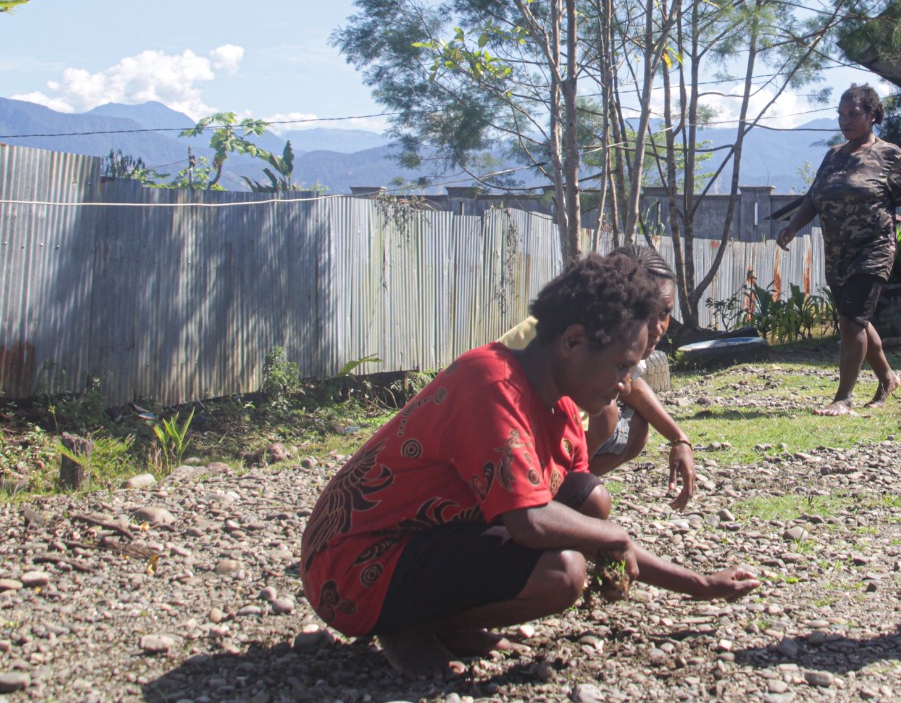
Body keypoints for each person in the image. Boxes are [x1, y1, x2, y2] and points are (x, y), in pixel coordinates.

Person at [299, 254, 758, 677]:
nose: (625, 385)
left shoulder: (562, 407)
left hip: (423, 543)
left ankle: (445, 623)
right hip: (352, 570)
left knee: (588, 501)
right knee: (563, 573)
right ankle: (408, 628)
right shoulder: (492, 384)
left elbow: (584, 525)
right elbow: (529, 521)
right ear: (572, 341)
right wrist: (616, 538)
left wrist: (700, 584)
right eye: (621, 367)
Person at [776, 84, 901, 416]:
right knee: (854, 318)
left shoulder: (889, 155)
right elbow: (814, 197)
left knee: (851, 321)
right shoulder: (834, 155)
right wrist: (793, 227)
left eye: (853, 114)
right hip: (837, 252)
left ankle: (843, 398)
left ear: (871, 115)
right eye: (840, 114)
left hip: (874, 248)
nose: (845, 120)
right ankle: (888, 378)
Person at [498, 244, 697, 509]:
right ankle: (557, 492)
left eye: (664, 313)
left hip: (546, 440)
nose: (658, 327)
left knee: (630, 427)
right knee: (606, 415)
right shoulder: (575, 339)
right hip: (514, 439)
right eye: (647, 313)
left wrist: (680, 438)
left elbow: (633, 385)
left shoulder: (610, 334)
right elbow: (523, 521)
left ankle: (564, 489)